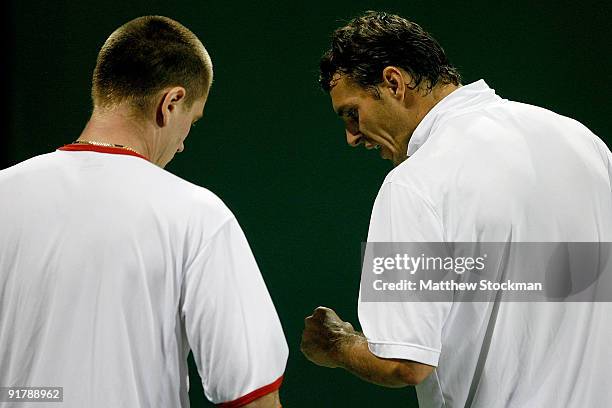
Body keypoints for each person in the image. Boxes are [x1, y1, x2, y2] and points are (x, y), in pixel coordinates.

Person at [301, 11, 612, 407]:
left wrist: (338, 345)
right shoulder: (583, 142)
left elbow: (404, 363)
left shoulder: (416, 183)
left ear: (394, 83)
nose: (351, 136)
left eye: (351, 113)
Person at [0, 16, 288, 408]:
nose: (183, 144)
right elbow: (253, 399)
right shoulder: (198, 216)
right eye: (192, 120)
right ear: (170, 103)